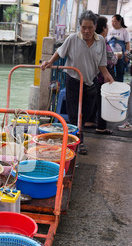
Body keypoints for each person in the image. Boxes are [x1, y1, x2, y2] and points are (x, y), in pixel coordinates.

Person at [41, 10, 114, 155]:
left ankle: (76, 135)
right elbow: (60, 52)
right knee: (74, 114)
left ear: (95, 26)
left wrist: (107, 75)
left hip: (90, 81)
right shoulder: (73, 39)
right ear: (79, 26)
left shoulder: (100, 41)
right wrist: (49, 62)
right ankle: (78, 142)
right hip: (73, 80)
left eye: (90, 27)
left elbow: (101, 63)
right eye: (83, 27)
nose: (87, 31)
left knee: (86, 114)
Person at [93, 16, 119, 135]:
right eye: (107, 25)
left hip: (92, 75)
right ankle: (101, 127)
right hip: (102, 76)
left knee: (94, 100)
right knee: (102, 101)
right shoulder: (103, 41)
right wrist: (117, 57)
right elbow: (111, 59)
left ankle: (89, 121)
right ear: (103, 28)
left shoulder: (92, 40)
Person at [107, 14, 130, 82]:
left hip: (121, 55)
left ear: (119, 21)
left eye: (115, 21)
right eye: (112, 21)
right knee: (110, 72)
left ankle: (119, 87)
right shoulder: (110, 30)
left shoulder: (124, 30)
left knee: (120, 72)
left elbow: (128, 43)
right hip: (110, 55)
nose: (113, 23)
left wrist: (127, 55)